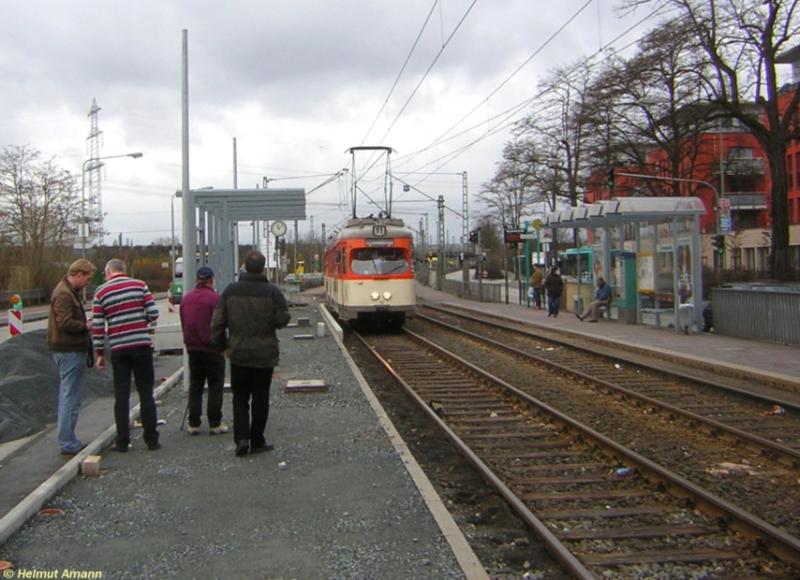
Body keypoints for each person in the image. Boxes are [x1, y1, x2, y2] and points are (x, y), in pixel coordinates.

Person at [212, 250, 290, 457]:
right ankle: (257, 440)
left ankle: (241, 439)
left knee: (240, 398)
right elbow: (283, 318)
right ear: (263, 268)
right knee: (260, 398)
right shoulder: (272, 292)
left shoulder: (230, 291)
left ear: (245, 267)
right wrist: (270, 322)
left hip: (238, 354)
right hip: (265, 355)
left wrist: (223, 346)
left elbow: (217, 323)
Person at [92, 258, 161, 452]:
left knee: (121, 395)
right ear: (123, 270)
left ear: (108, 272)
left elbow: (98, 327)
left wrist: (99, 353)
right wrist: (140, 321)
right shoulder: (140, 285)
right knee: (146, 393)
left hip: (119, 348)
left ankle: (122, 442)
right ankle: (152, 440)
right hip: (141, 345)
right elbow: (154, 313)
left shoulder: (101, 292)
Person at [47, 258, 97, 456]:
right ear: (79, 274)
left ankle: (67, 439)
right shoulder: (64, 294)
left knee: (68, 395)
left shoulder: (67, 291)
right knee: (71, 397)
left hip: (68, 350)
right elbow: (65, 323)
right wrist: (86, 326)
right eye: (87, 278)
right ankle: (67, 442)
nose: (87, 283)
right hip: (69, 350)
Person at [180, 266, 228, 436]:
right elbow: (221, 323)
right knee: (215, 385)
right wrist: (223, 345)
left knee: (196, 385)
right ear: (211, 280)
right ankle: (215, 423)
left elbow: (184, 322)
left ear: (197, 280)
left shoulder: (186, 299)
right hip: (212, 348)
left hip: (193, 348)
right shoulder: (216, 299)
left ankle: (193, 423)